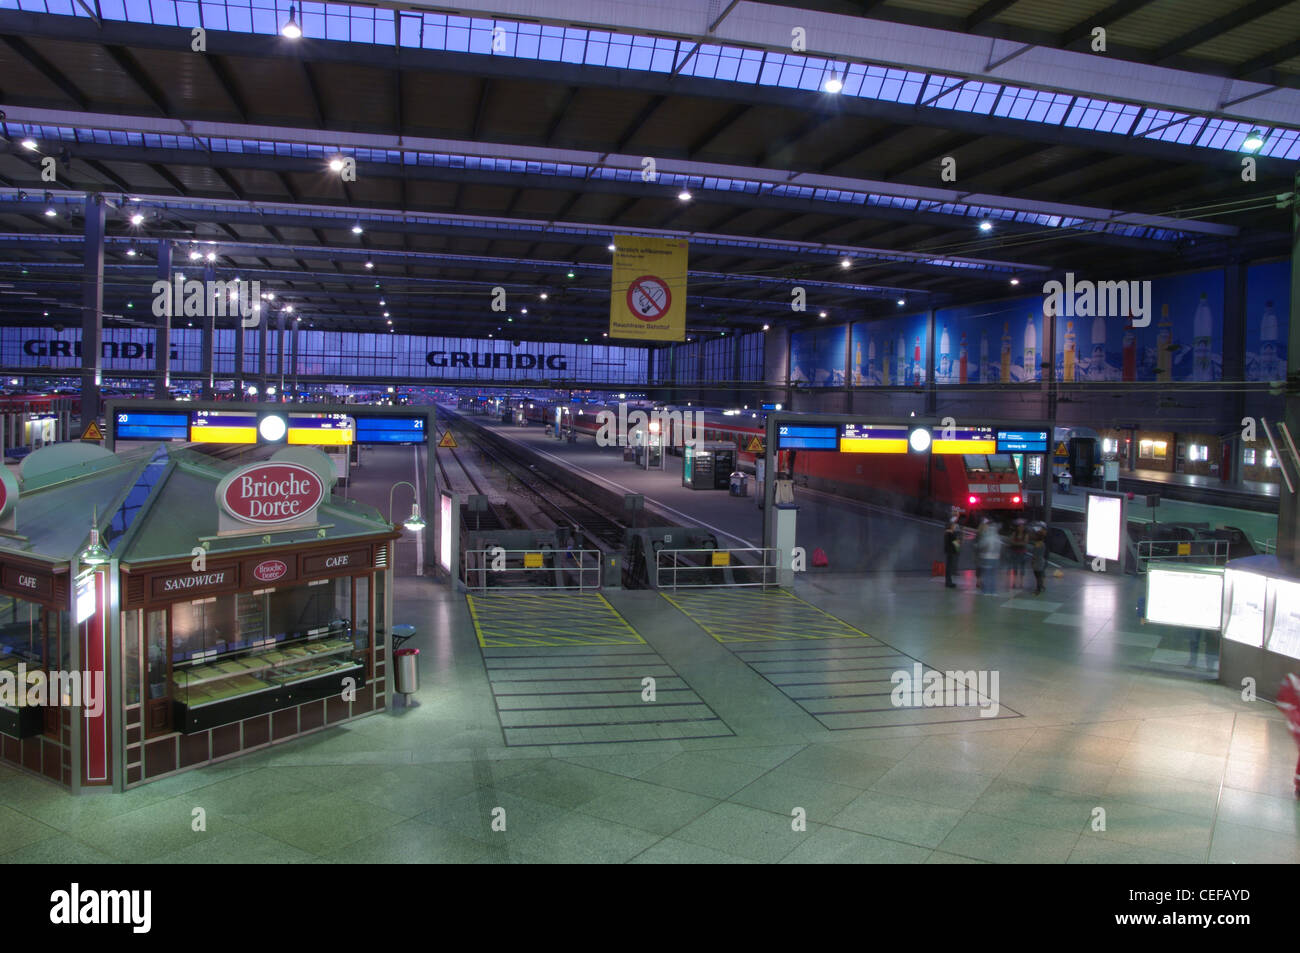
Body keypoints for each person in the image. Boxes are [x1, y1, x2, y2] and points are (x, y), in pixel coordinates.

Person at [977, 519, 1001, 595]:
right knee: (993, 575)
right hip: (995, 559)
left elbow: (981, 546)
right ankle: (993, 591)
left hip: (986, 558)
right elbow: (999, 548)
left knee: (986, 575)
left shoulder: (986, 537)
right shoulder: (997, 538)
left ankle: (986, 590)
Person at [1008, 520, 1028, 588]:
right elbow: (1011, 541)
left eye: (1022, 526)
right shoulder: (1014, 533)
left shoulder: (1025, 534)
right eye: (1019, 526)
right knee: (1015, 567)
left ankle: (1021, 583)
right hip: (1015, 552)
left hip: (1022, 552)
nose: (1021, 528)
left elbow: (1025, 543)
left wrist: (1016, 543)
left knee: (1022, 568)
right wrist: (1019, 543)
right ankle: (1014, 582)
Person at [943, 517, 961, 588]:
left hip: (948, 551)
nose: (954, 527)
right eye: (953, 525)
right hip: (951, 551)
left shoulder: (946, 533)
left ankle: (948, 582)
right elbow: (955, 543)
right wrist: (958, 542)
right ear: (951, 526)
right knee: (949, 567)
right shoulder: (951, 533)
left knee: (948, 567)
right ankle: (949, 582)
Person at [1030, 527, 1047, 595]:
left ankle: (1038, 590)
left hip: (1037, 562)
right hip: (1041, 561)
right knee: (1040, 576)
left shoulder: (1036, 545)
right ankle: (1040, 587)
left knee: (1038, 576)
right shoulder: (1043, 544)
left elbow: (1034, 555)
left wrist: (1032, 562)